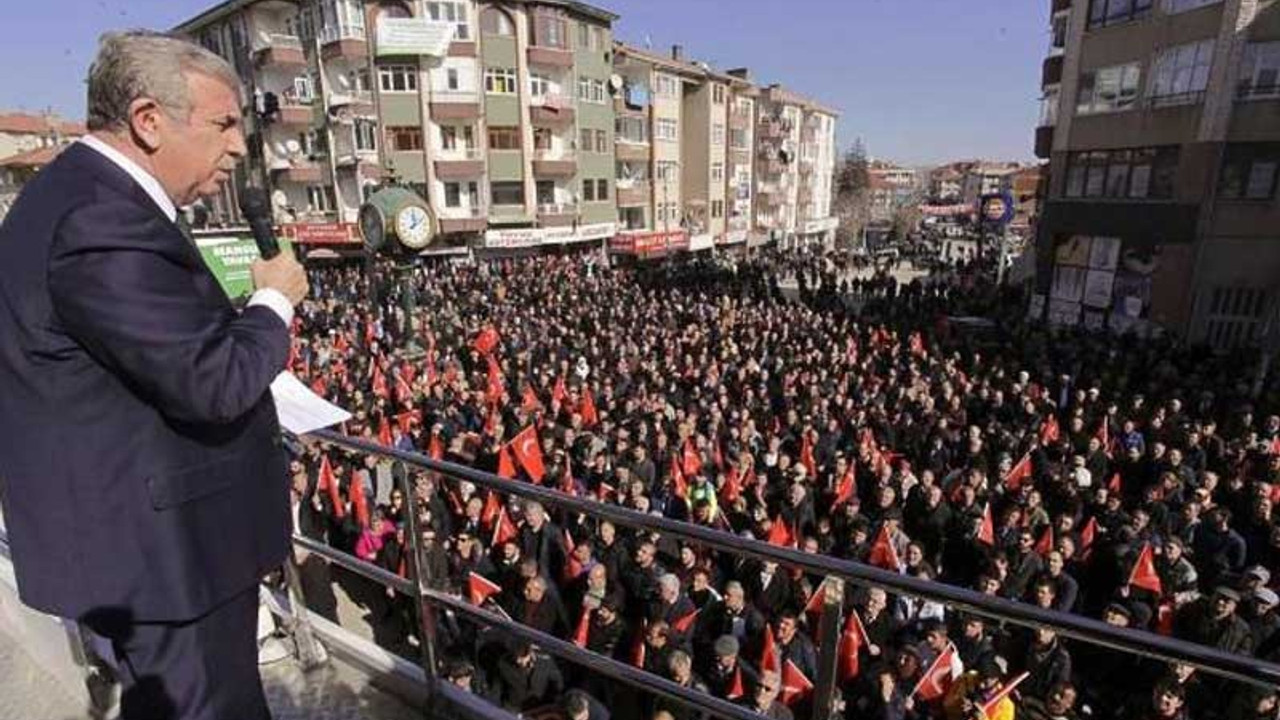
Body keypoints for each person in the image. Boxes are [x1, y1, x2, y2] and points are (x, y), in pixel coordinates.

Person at [0, 31, 307, 720]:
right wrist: (274, 300)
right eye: (223, 124)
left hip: (137, 541)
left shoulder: (73, 196)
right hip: (167, 558)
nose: (238, 146)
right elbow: (216, 383)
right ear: (147, 120)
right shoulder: (100, 218)